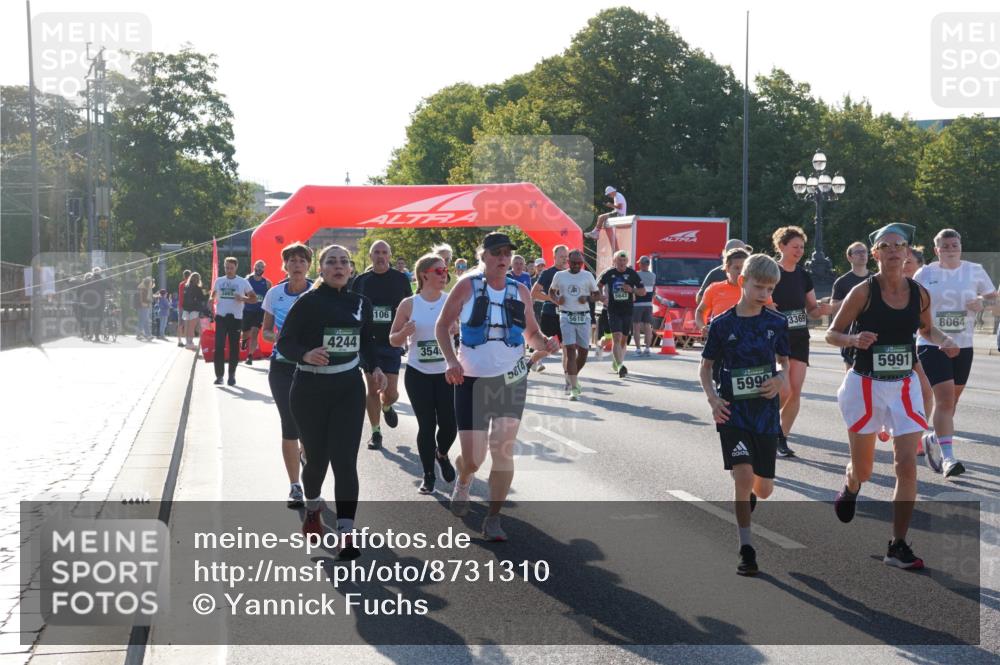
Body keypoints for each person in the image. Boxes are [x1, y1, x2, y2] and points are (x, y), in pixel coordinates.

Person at [827, 223, 957, 570]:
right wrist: (853, 341)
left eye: (900, 246)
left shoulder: (919, 293)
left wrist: (944, 340)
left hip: (903, 385)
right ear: (876, 254)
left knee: (906, 464)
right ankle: (852, 484)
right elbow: (832, 334)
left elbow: (927, 329)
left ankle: (897, 545)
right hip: (864, 385)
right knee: (866, 469)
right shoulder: (863, 292)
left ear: (909, 253)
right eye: (886, 246)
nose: (895, 251)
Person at [436, 232, 559, 541]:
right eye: (497, 253)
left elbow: (531, 332)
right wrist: (451, 360)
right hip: (471, 380)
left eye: (507, 253)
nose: (503, 258)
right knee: (474, 458)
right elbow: (442, 326)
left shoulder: (521, 291)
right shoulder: (466, 286)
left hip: (511, 379)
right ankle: (464, 480)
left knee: (502, 450)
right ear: (484, 256)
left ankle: (493, 518)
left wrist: (545, 343)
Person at [276, 244, 385, 561]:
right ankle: (312, 506)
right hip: (310, 388)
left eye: (343, 262)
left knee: (345, 461)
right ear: (320, 269)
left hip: (348, 389)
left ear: (351, 269)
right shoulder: (308, 302)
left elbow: (367, 342)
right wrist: (306, 354)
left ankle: (346, 534)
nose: (338, 266)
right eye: (331, 262)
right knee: (318, 461)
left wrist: (374, 367)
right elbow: (285, 341)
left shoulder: (361, 303)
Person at [699, 253, 789, 576]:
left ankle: (752, 495)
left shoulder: (776, 323)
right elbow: (706, 368)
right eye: (759, 287)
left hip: (765, 413)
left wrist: (780, 378)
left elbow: (784, 362)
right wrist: (712, 399)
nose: (764, 294)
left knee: (762, 488)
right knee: (742, 475)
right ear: (742, 282)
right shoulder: (722, 325)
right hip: (733, 412)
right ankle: (746, 547)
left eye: (769, 289)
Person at [914, 229, 998, 478]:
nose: (951, 249)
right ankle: (949, 459)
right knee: (945, 399)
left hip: (964, 344)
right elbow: (913, 307)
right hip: (932, 344)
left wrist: (983, 303)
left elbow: (997, 304)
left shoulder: (975, 270)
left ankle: (933, 438)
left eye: (955, 244)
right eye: (945, 246)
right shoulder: (926, 273)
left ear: (961, 246)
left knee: (952, 402)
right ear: (936, 249)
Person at [389, 253, 458, 494]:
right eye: (439, 271)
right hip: (418, 373)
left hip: (447, 373)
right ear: (424, 275)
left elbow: (466, 332)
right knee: (426, 426)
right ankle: (428, 475)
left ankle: (442, 453)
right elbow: (393, 339)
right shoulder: (409, 304)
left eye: (445, 270)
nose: (444, 275)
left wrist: (457, 328)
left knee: (450, 425)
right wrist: (403, 333)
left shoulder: (450, 300)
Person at [771, 226, 832, 457]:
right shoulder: (771, 271)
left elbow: (812, 310)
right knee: (783, 389)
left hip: (798, 337)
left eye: (802, 247)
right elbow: (755, 297)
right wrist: (766, 304)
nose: (799, 251)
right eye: (795, 247)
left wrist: (823, 309)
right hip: (774, 338)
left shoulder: (803, 275)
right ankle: (761, 421)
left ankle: (781, 438)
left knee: (795, 391)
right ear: (781, 246)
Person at [262, 242, 314, 508]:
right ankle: (295, 486)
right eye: (292, 260)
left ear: (308, 265)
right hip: (282, 368)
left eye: (301, 260)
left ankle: (306, 453)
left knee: (310, 427)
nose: (296, 264)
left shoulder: (318, 292)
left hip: (313, 370)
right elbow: (266, 331)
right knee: (289, 423)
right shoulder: (274, 294)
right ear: (285, 265)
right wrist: (277, 337)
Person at [351, 240, 413, 450]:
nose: (380, 256)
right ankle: (376, 432)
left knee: (392, 392)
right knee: (373, 387)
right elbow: (352, 308)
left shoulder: (400, 279)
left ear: (389, 255)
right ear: (370, 256)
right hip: (368, 342)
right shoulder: (361, 280)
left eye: (384, 252)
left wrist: (406, 332)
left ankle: (387, 406)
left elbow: (410, 306)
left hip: (392, 341)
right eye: (376, 252)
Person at [550, 249, 600, 400]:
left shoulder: (587, 275)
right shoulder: (560, 275)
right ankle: (573, 386)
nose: (577, 265)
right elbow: (551, 291)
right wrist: (557, 300)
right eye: (574, 263)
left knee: (583, 352)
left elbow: (596, 294)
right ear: (568, 262)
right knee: (570, 350)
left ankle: (571, 377)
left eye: (580, 263)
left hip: (583, 317)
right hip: (566, 316)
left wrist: (587, 298)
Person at [598, 250, 647, 378]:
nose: (622, 263)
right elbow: (598, 286)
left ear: (627, 262)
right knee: (617, 337)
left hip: (627, 310)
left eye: (624, 260)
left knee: (623, 340)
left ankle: (617, 361)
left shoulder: (632, 274)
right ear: (614, 261)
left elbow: (643, 291)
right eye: (619, 260)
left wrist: (632, 290)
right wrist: (602, 297)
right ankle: (620, 366)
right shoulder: (609, 273)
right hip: (613, 310)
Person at [210, 257, 258, 386]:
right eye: (226, 267)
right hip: (221, 317)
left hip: (236, 318)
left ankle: (232, 375)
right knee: (219, 347)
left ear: (236, 267)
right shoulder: (219, 281)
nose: (229, 270)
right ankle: (219, 376)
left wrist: (242, 298)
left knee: (234, 347)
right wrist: (211, 303)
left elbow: (254, 299)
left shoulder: (242, 282)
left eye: (231, 268)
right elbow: (213, 295)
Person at [830, 242, 874, 370]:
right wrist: (852, 299)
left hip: (872, 332)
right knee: (851, 376)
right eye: (858, 252)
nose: (862, 255)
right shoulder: (842, 282)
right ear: (849, 257)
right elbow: (833, 307)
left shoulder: (876, 279)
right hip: (850, 334)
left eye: (864, 251)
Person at [695, 248, 758, 332]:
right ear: (727, 268)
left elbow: (771, 313)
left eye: (744, 268)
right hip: (720, 339)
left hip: (749, 340)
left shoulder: (757, 288)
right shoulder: (714, 288)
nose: (740, 272)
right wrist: (703, 327)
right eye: (736, 268)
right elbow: (700, 311)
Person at [528, 245, 569, 373]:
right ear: (554, 257)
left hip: (566, 315)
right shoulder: (548, 273)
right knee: (546, 348)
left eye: (566, 257)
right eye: (561, 257)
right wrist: (551, 299)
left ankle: (569, 377)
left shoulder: (570, 274)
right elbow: (534, 293)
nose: (564, 259)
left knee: (567, 347)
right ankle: (530, 362)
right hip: (550, 314)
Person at [696, 239, 751, 307]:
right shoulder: (715, 274)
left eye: (742, 253)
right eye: (736, 268)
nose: (740, 271)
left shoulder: (753, 273)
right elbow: (700, 300)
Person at [242, 260, 272, 366]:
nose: (259, 269)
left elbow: (269, 298)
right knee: (245, 333)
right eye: (257, 266)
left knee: (254, 333)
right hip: (247, 310)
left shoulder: (267, 283)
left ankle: (250, 356)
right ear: (254, 267)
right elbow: (241, 295)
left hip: (259, 312)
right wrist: (249, 299)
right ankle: (244, 340)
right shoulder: (247, 280)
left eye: (261, 267)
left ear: (264, 269)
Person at [632, 256, 657, 355]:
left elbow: (633, 288)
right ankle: (647, 348)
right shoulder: (653, 275)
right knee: (648, 327)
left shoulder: (636, 274)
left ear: (641, 264)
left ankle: (638, 349)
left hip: (637, 304)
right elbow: (654, 290)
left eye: (639, 263)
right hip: (649, 304)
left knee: (636, 326)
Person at [181, 273, 206, 350]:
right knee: (192, 328)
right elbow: (203, 298)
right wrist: (207, 293)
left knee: (187, 327)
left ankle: (187, 342)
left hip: (186, 309)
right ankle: (190, 343)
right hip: (194, 309)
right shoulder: (198, 288)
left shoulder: (186, 286)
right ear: (198, 279)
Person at [177, 269, 191, 347]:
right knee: (187, 324)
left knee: (180, 324)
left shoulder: (181, 284)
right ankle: (187, 341)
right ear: (189, 276)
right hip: (186, 307)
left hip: (180, 306)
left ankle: (179, 340)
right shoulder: (188, 284)